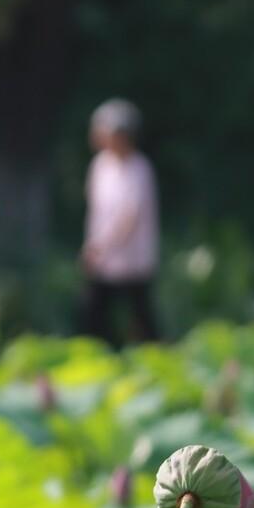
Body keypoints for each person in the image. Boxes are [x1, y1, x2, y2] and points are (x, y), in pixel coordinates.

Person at [80, 98, 159, 347]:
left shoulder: (139, 169)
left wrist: (102, 246)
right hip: (103, 260)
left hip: (132, 260)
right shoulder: (100, 165)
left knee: (142, 320)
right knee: (93, 316)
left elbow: (130, 217)